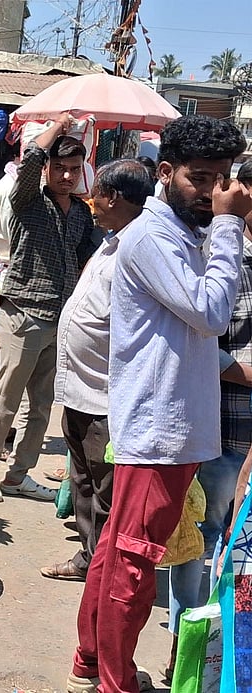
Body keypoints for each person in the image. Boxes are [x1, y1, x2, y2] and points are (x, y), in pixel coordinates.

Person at [69, 114, 250, 693]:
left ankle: (92, 659)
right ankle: (115, 682)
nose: (216, 191)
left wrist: (217, 226)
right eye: (202, 178)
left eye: (223, 178)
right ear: (166, 173)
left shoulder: (181, 232)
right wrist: (228, 227)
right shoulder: (151, 237)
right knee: (134, 560)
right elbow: (212, 311)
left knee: (117, 550)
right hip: (159, 428)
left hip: (167, 424)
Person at [39, 160, 155, 584]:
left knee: (105, 491)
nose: (91, 201)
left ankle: (102, 568)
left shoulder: (137, 249)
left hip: (107, 397)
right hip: (79, 392)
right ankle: (89, 558)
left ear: (114, 197)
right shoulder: (108, 242)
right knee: (84, 483)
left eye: (97, 194)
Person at [0, 114, 99, 503]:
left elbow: (84, 262)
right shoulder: (27, 199)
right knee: (6, 398)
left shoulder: (80, 214)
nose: (65, 176)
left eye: (73, 170)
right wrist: (59, 127)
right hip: (23, 313)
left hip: (58, 320)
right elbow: (29, 160)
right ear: (48, 169)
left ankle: (18, 474)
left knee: (42, 406)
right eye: (59, 168)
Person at [164, 158, 252, 678]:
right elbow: (192, 344)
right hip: (223, 428)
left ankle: (231, 661)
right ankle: (187, 646)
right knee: (202, 536)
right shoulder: (215, 256)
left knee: (242, 557)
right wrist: (243, 372)